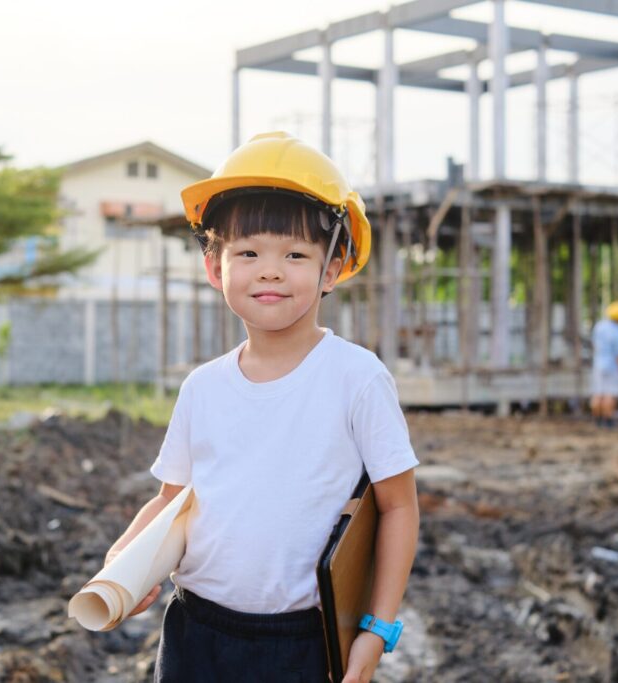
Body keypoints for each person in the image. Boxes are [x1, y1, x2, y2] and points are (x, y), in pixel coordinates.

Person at [103, 131, 420, 683]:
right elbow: (171, 500)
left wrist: (378, 628)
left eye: (295, 254)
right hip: (195, 634)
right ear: (215, 268)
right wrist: (121, 564)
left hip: (299, 642)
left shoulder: (357, 378)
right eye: (248, 253)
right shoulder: (202, 387)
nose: (270, 271)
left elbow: (398, 508)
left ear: (333, 267)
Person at [590, 301, 618, 428]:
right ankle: (608, 420)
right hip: (612, 367)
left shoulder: (599, 326)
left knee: (598, 393)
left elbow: (594, 345)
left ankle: (597, 420)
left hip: (598, 364)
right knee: (610, 394)